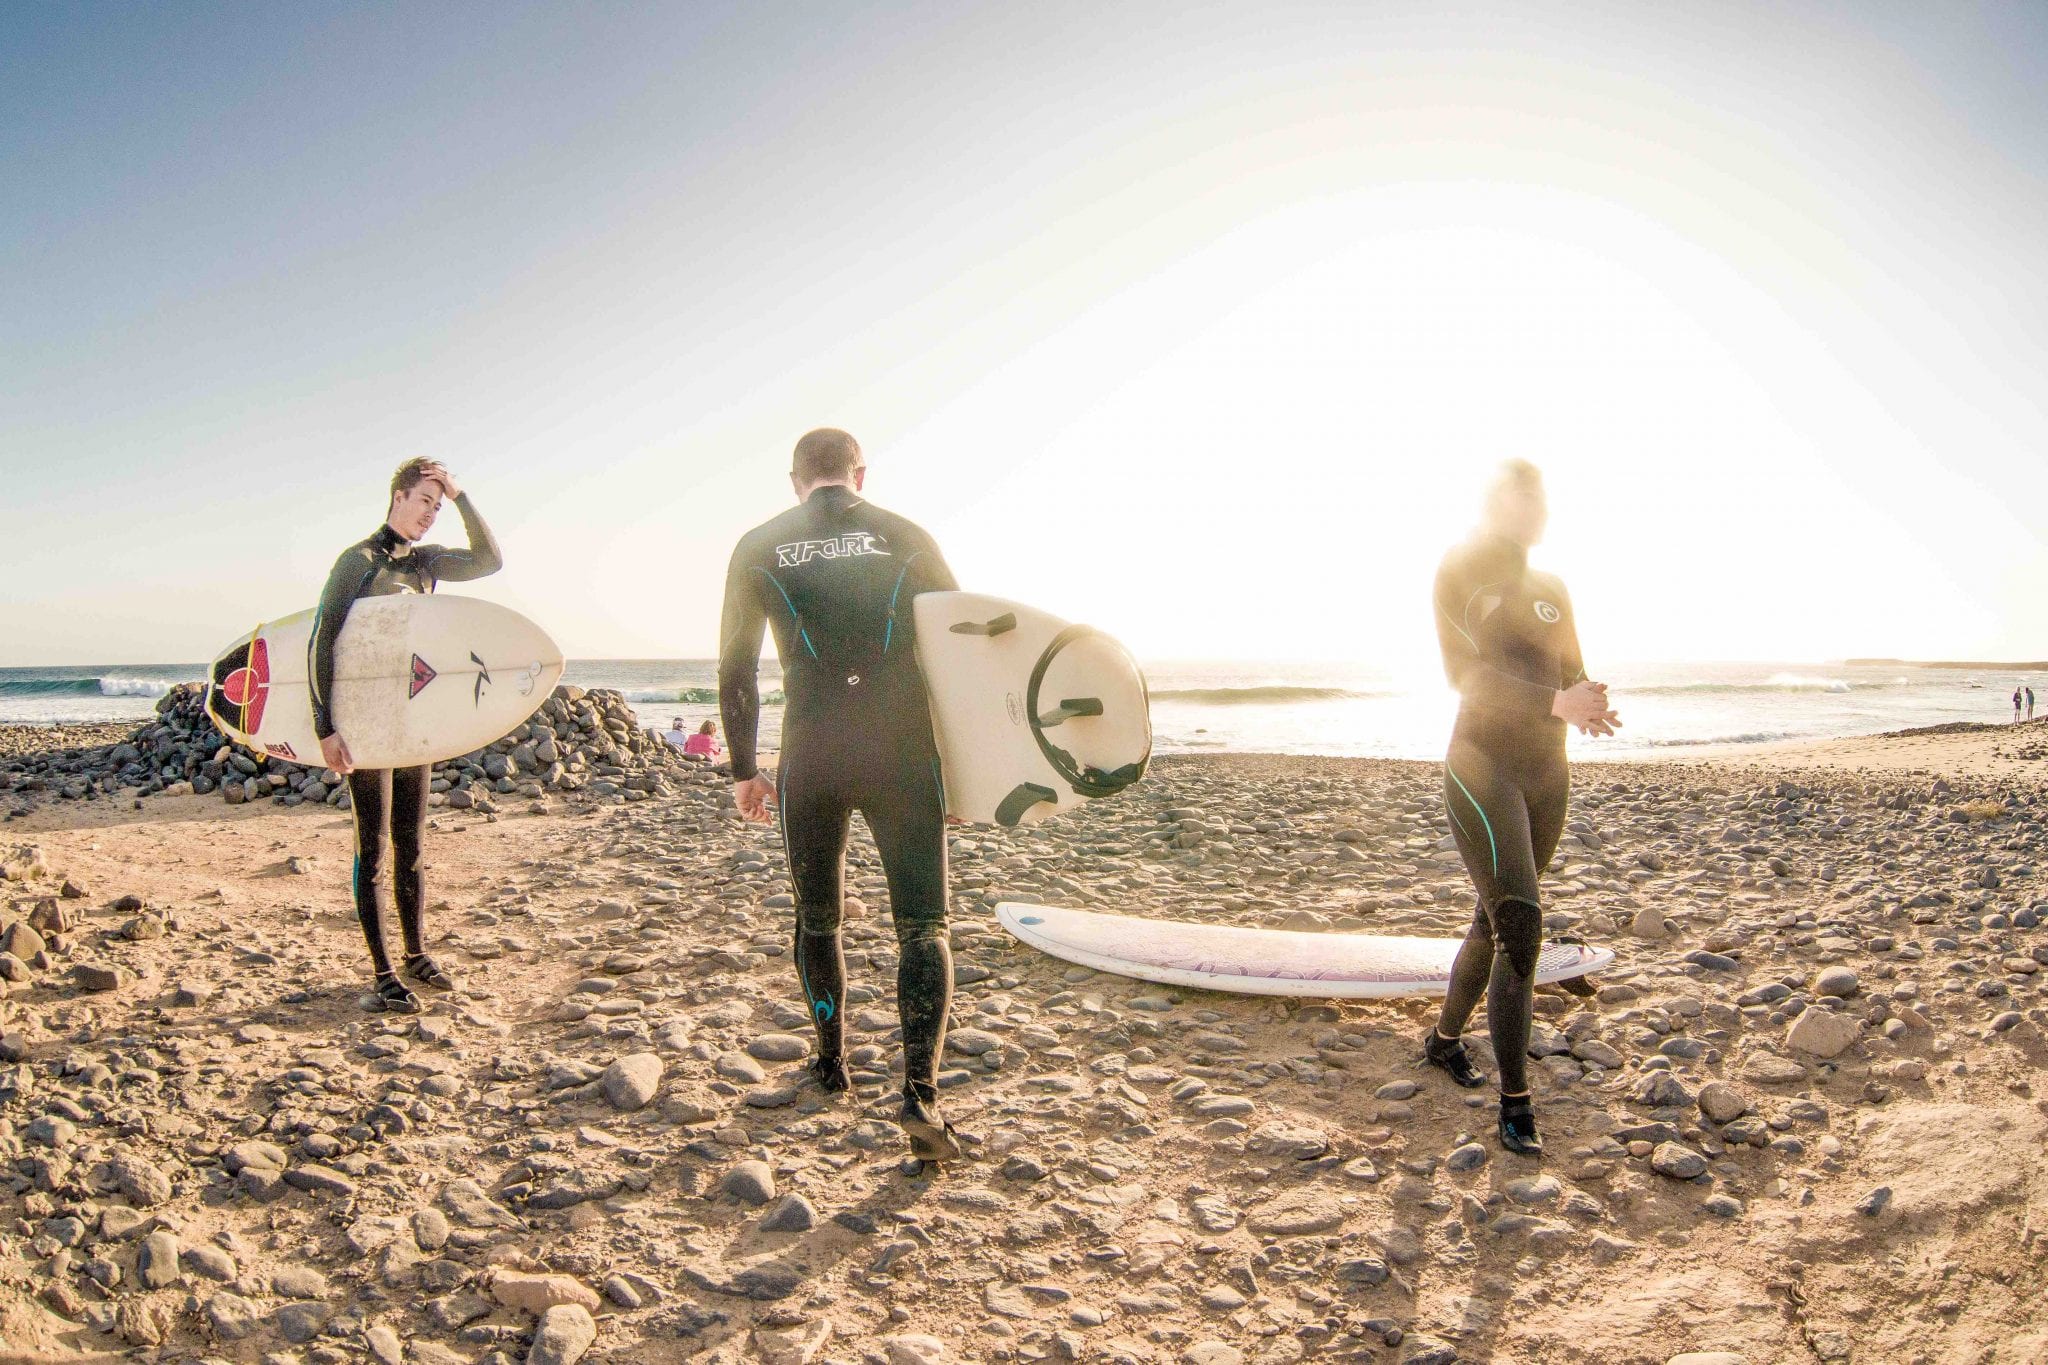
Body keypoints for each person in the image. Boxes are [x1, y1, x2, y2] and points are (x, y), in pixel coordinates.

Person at [717, 428, 964, 1162]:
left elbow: (734, 667)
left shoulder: (760, 544)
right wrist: (963, 765)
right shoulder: (905, 535)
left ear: (796, 480)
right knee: (923, 925)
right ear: (860, 473)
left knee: (817, 917)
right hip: (902, 754)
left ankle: (831, 1062)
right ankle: (920, 1092)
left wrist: (744, 769)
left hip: (813, 756)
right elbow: (960, 650)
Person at [1422, 460, 1620, 1155]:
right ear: (1496, 501)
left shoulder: (1552, 587)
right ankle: (1516, 1105)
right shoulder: (1461, 569)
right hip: (1483, 767)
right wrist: (1552, 702)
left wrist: (1587, 701)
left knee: (1495, 918)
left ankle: (1444, 1041)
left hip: (1546, 771)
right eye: (1524, 495)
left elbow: (1568, 668)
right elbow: (1464, 674)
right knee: (1523, 929)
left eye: (1543, 496)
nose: (1538, 507)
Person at [313, 459, 501, 1013]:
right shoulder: (358, 562)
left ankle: (417, 954)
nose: (431, 515)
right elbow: (323, 642)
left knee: (412, 845)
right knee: (373, 848)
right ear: (398, 497)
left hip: (410, 723)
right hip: (367, 723)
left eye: (437, 507)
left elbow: (490, 560)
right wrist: (326, 728)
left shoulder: (424, 564)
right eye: (425, 501)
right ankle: (383, 969)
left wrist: (462, 494)